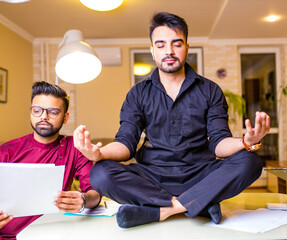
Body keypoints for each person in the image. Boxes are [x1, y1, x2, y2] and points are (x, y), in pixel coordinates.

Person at [74, 12, 270, 229]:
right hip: (152, 177)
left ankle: (164, 210)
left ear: (186, 47)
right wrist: (98, 154)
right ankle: (197, 204)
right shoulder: (138, 93)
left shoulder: (210, 90)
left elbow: (218, 144)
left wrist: (246, 142)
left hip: (200, 173)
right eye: (160, 45)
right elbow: (126, 143)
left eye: (176, 44)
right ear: (152, 50)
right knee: (100, 173)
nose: (169, 51)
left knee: (251, 161)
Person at [0, 81, 101, 239]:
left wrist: (83, 200)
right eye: (37, 110)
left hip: (53, 233)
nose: (43, 116)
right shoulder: (7, 151)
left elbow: (94, 193)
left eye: (53, 112)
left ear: (65, 117)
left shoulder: (74, 148)